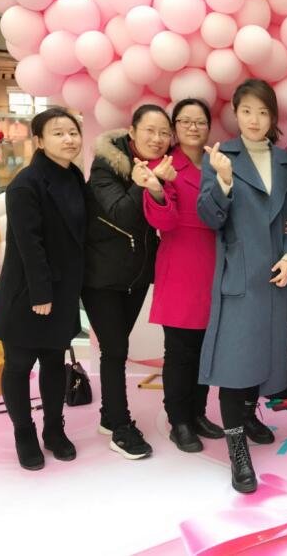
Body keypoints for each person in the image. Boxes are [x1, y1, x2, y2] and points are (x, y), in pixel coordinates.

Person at [197, 79, 287, 493]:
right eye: (246, 111)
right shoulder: (221, 157)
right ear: (235, 114)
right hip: (239, 273)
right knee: (234, 364)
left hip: (275, 274)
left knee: (265, 355)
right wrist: (223, 181)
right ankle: (237, 449)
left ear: (272, 116)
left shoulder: (285, 161)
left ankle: (249, 415)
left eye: (262, 112)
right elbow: (209, 217)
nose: (254, 120)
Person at [0, 107, 86, 470]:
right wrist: (41, 293)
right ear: (40, 141)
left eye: (72, 132)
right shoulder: (25, 184)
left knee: (54, 362)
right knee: (18, 364)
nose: (68, 139)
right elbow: (29, 244)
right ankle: (24, 432)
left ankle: (54, 430)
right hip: (28, 292)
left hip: (63, 290)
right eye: (58, 133)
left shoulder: (74, 176)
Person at [82, 104, 171, 460]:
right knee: (115, 350)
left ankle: (109, 415)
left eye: (164, 132)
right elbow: (121, 213)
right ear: (132, 132)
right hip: (100, 276)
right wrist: (142, 183)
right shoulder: (106, 165)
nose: (157, 138)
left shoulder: (164, 166)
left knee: (116, 348)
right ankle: (120, 427)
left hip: (136, 275)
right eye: (150, 130)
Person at [138, 98, 224, 453]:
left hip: (215, 265)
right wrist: (157, 188)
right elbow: (164, 220)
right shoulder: (163, 165)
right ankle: (180, 421)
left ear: (209, 127)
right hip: (180, 266)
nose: (193, 127)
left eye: (199, 121)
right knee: (179, 351)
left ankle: (198, 413)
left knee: (206, 348)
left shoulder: (218, 164)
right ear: (175, 128)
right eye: (185, 121)